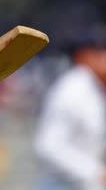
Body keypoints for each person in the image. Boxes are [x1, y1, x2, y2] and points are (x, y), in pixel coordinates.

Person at [34, 21, 106, 190]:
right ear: (85, 55)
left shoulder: (94, 88)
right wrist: (95, 171)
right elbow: (48, 146)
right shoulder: (71, 90)